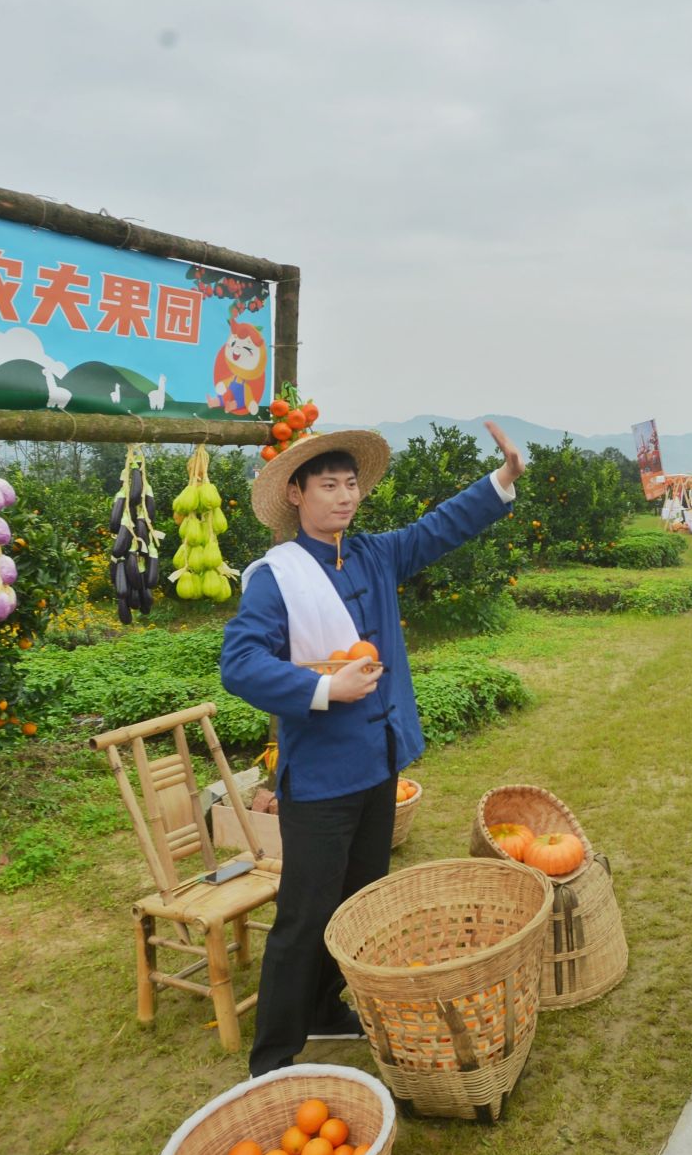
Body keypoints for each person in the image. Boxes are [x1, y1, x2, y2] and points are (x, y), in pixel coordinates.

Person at [222, 419, 526, 1076]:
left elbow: (439, 528)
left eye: (350, 484)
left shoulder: (375, 554)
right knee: (305, 913)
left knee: (359, 899)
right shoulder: (278, 578)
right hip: (321, 775)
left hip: (379, 762)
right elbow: (239, 665)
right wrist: (324, 687)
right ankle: (272, 1056)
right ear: (297, 494)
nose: (344, 496)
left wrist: (501, 480)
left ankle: (325, 1009)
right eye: (328, 485)